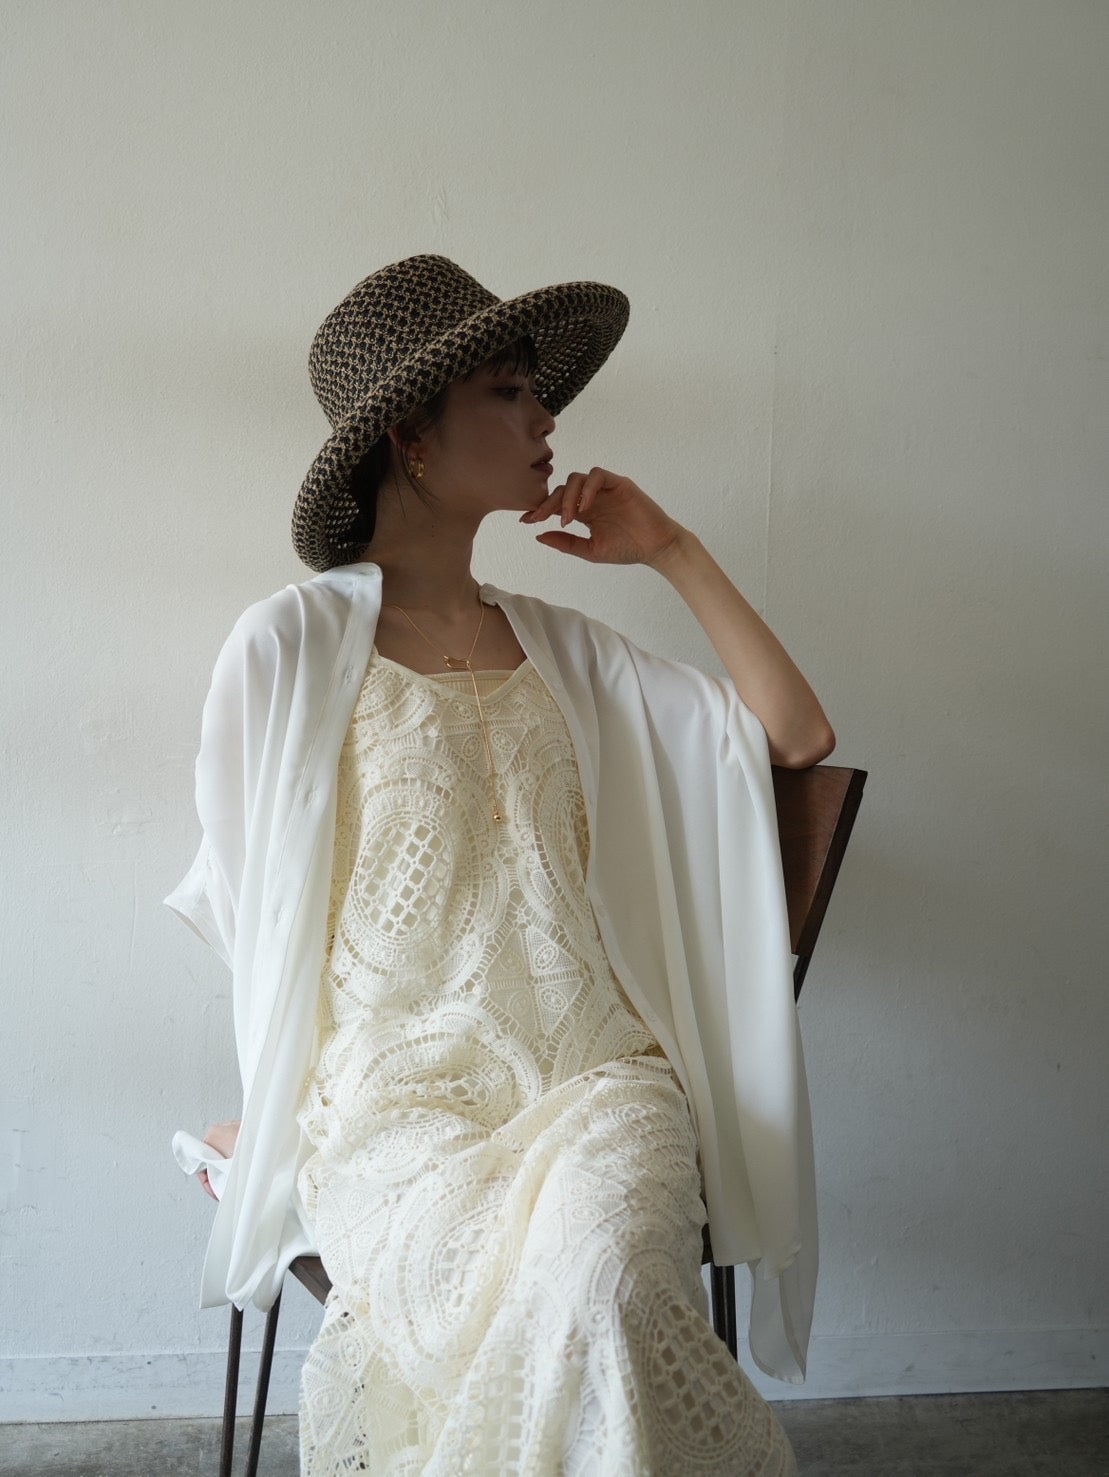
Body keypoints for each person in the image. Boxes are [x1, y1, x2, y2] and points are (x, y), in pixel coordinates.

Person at [167, 254, 835, 1475]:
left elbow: (796, 735)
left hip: (598, 1088)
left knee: (601, 1289)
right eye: (510, 392)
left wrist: (670, 549)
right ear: (411, 438)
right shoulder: (285, 649)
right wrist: (276, 1101)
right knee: (521, 1318)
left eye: (540, 393)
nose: (546, 420)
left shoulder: (573, 653)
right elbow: (250, 904)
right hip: (394, 1108)